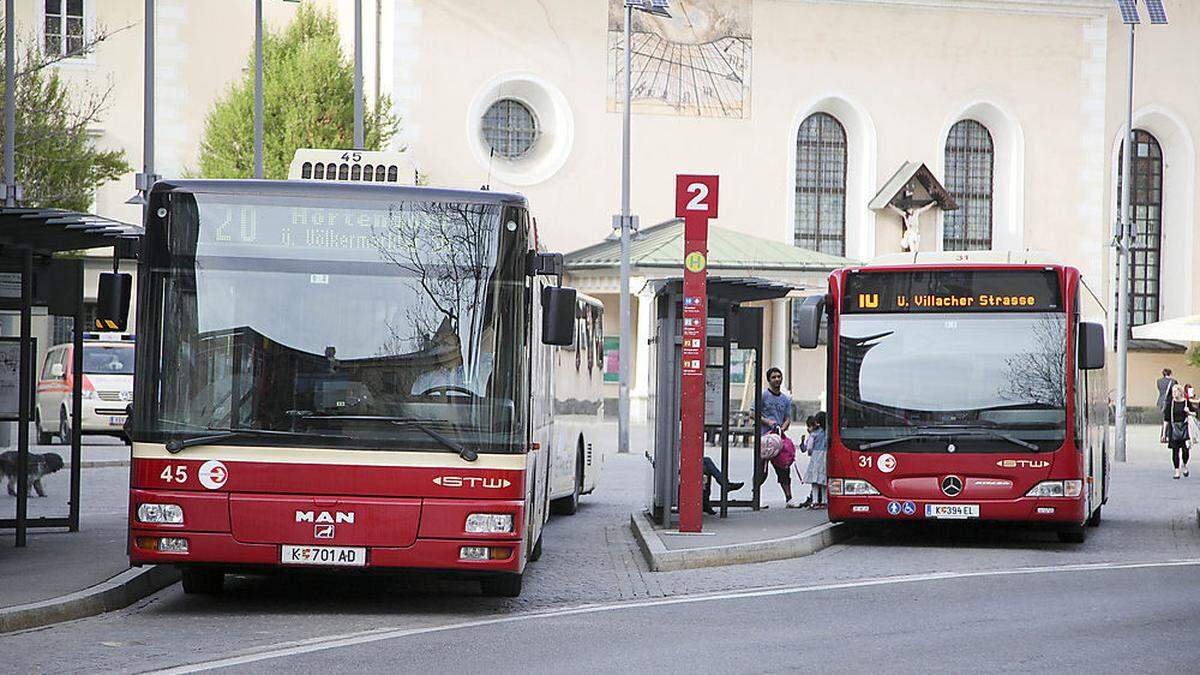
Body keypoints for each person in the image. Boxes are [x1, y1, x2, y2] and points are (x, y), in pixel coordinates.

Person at [758, 367, 801, 508]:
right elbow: (753, 414)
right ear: (769, 380)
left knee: (784, 468)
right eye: (774, 377)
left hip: (779, 439)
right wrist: (768, 422)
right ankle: (756, 497)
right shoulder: (763, 396)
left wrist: (783, 427)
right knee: (761, 470)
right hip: (765, 439)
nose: (777, 379)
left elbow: (788, 418)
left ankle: (789, 499)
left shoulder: (785, 399)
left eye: (779, 376)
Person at [1162, 384, 1194, 479]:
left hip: (1185, 429)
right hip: (1173, 429)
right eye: (1173, 392)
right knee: (1175, 451)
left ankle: (1184, 464)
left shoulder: (1186, 402)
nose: (1174, 393)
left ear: (1180, 392)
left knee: (1185, 450)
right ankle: (1177, 471)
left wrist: (1188, 411)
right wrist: (1164, 434)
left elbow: (1195, 413)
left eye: (1175, 391)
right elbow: (1166, 419)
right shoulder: (1170, 404)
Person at [803, 411, 829, 508]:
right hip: (825, 456)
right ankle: (824, 501)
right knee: (823, 481)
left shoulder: (814, 434)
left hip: (816, 456)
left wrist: (809, 452)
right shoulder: (827, 433)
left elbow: (809, 447)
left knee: (815, 481)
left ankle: (815, 501)